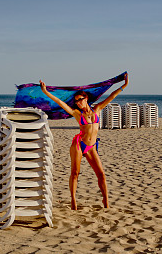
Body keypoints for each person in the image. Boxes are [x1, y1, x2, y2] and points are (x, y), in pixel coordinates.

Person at [39, 73, 128, 210]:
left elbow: (112, 97)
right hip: (79, 144)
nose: (78, 103)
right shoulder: (77, 113)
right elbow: (60, 103)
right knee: (75, 173)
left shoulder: (97, 109)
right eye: (76, 101)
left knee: (101, 175)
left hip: (92, 146)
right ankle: (73, 200)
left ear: (86, 98)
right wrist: (45, 92)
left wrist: (124, 85)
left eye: (80, 100)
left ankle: (106, 201)